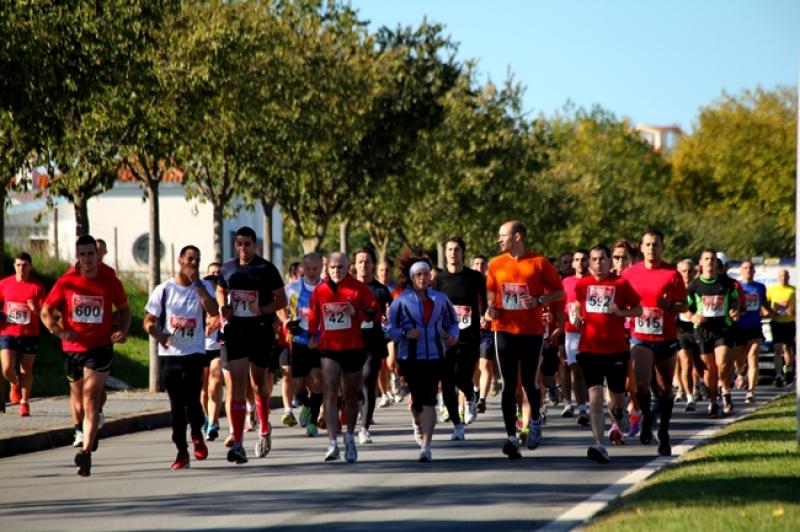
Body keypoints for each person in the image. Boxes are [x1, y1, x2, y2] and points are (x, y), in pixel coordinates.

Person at [41, 235, 131, 477]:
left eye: (91, 254)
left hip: (99, 348)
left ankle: (86, 452)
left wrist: (122, 330)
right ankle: (88, 427)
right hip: (72, 350)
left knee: (90, 398)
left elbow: (124, 310)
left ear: (97, 255)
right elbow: (46, 311)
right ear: (77, 257)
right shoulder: (66, 282)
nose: (87, 259)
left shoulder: (109, 280)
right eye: (82, 255)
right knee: (80, 402)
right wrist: (59, 331)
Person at [485, 220, 564, 459]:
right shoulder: (496, 264)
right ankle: (511, 437)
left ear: (517, 237)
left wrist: (539, 301)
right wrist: (491, 310)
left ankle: (536, 420)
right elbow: (491, 298)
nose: (498, 240)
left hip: (531, 332)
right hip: (504, 329)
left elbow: (559, 292)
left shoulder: (539, 263)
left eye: (503, 235)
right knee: (510, 385)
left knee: (529, 383)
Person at [216, 226, 287, 463]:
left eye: (247, 244)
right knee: (237, 386)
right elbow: (219, 289)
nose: (243, 248)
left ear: (255, 246)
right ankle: (238, 443)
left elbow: (282, 299)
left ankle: (264, 428)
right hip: (236, 331)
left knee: (258, 386)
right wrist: (222, 306)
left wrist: (263, 309)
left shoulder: (266, 269)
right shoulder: (227, 267)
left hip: (260, 332)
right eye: (239, 244)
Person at [143, 246, 218, 469]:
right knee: (176, 404)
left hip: (194, 352)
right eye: (190, 259)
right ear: (180, 261)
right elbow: (148, 321)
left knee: (193, 400)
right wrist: (160, 334)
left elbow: (214, 311)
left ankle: (197, 432)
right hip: (170, 354)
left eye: (197, 260)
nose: (194, 264)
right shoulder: (164, 289)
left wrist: (200, 289)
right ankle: (181, 451)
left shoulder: (203, 287)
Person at [570, 245, 642, 463]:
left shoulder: (620, 283)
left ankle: (621, 414)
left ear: (608, 261)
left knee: (616, 399)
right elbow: (577, 308)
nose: (598, 263)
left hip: (616, 350)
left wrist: (621, 312)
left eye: (602, 259)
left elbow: (638, 309)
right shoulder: (582, 285)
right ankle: (599, 444)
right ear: (589, 262)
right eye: (594, 259)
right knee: (594, 399)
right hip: (590, 348)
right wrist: (577, 317)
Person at [307, 252, 380, 463]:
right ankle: (332, 443)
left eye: (340, 267)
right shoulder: (320, 290)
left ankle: (349, 437)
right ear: (326, 268)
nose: (336, 271)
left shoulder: (358, 288)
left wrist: (356, 312)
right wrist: (312, 336)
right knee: (329, 392)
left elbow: (375, 311)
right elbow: (314, 315)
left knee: (350, 395)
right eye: (332, 267)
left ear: (348, 267)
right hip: (329, 348)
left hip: (353, 347)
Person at [622, 230, 687, 456]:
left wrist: (670, 307)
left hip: (666, 336)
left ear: (662, 247)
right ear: (641, 248)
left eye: (656, 244)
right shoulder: (630, 273)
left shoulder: (672, 274)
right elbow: (622, 301)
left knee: (665, 389)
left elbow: (684, 306)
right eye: (647, 245)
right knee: (640, 385)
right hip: (640, 336)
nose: (652, 248)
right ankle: (647, 417)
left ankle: (665, 433)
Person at [387, 258, 459, 462]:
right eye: (418, 274)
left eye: (426, 274)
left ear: (430, 277)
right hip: (410, 358)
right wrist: (404, 333)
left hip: (436, 356)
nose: (422, 278)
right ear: (412, 278)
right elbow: (388, 329)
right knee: (417, 403)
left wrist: (453, 336)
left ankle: (426, 446)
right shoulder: (401, 301)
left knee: (430, 401)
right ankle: (417, 422)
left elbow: (453, 322)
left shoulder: (441, 299)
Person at [433, 237, 487, 441]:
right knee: (447, 381)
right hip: (446, 337)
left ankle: (470, 395)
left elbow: (486, 301)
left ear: (463, 253)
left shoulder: (474, 277)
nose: (452, 253)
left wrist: (487, 316)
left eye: (456, 249)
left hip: (469, 336)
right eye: (449, 249)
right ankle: (457, 424)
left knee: (462, 376)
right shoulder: (439, 280)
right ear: (445, 253)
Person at [685, 248, 740, 418]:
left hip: (723, 328)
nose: (710, 262)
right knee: (709, 370)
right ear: (700, 263)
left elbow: (736, 300)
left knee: (722, 363)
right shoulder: (694, 285)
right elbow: (686, 308)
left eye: (713, 259)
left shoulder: (727, 283)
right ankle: (713, 401)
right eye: (706, 259)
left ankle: (725, 391)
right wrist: (693, 316)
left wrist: (735, 310)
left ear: (717, 263)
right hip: (702, 331)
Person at [353, 247, 393, 445]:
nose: (364, 265)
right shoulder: (347, 288)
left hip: (373, 345)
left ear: (373, 265)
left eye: (367, 261)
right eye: (360, 261)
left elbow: (389, 317)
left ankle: (364, 428)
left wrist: (387, 322)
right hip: (350, 345)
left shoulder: (381, 291)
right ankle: (356, 419)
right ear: (354, 265)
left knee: (368, 382)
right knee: (354, 387)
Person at [282, 253, 325, 436]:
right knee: (298, 387)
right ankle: (306, 405)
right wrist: (286, 321)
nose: (312, 272)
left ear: (321, 268)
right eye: (308, 269)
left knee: (316, 380)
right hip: (299, 340)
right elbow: (280, 307)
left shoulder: (327, 287)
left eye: (316, 269)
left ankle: (313, 422)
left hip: (320, 341)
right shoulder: (292, 287)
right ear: (303, 269)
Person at [0, 252, 46, 416]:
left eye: (25, 265)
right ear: (14, 266)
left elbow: (45, 314)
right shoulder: (5, 284)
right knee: (7, 368)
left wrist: (35, 309)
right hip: (8, 332)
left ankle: (24, 403)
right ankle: (14, 383)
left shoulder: (37, 287)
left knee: (26, 369)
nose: (21, 269)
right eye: (18, 265)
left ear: (30, 267)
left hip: (29, 333)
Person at [561, 249, 590, 425]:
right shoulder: (566, 282)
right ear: (572, 263)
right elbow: (562, 306)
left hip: (592, 331)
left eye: (583, 259)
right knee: (575, 369)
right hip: (571, 331)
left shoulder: (592, 281)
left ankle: (592, 403)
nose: (580, 263)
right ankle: (582, 408)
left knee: (589, 371)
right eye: (576, 260)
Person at [733, 261, 768, 402]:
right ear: (741, 271)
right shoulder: (737, 286)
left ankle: (751, 391)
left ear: (754, 271)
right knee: (739, 361)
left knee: (753, 357)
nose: (748, 270)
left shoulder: (760, 287)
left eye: (751, 268)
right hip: (740, 327)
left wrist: (770, 312)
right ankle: (741, 373)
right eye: (745, 268)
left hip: (755, 327)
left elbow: (764, 304)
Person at [200, 263, 223, 440]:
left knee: (214, 383)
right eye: (212, 273)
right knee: (204, 390)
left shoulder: (225, 293)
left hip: (218, 345)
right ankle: (207, 418)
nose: (215, 275)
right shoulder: (199, 293)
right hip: (200, 347)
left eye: (218, 273)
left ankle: (213, 423)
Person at [675, 259, 700, 410]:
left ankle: (700, 386)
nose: (687, 274)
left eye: (690, 271)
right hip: (681, 329)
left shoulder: (700, 287)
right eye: (683, 271)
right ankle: (689, 397)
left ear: (695, 272)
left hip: (699, 329)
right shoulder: (674, 288)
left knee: (700, 364)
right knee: (686, 363)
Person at [767, 269, 795, 387]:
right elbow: (766, 304)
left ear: (788, 277)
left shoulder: (793, 290)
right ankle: (778, 374)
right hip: (776, 322)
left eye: (785, 276)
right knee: (777, 349)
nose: (783, 278)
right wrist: (770, 313)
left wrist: (793, 311)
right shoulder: (772, 290)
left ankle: (788, 370)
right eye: (781, 276)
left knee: (787, 348)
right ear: (778, 277)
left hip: (789, 322)